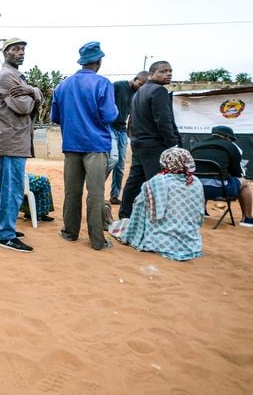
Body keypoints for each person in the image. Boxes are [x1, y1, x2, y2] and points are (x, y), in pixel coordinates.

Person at [51, 41, 118, 250]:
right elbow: (109, 115)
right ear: (98, 61)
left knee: (72, 192)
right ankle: (97, 240)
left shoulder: (62, 85)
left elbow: (56, 117)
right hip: (96, 145)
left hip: (72, 145)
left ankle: (70, 232)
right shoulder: (103, 83)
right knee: (96, 193)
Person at [0, 38, 42, 252]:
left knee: (12, 187)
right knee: (12, 189)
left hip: (17, 139)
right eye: (15, 49)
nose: (20, 52)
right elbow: (23, 107)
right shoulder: (7, 77)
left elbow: (32, 97)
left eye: (22, 49)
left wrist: (32, 91)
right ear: (6, 53)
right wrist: (34, 93)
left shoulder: (16, 77)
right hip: (12, 139)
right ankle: (5, 235)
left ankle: (5, 228)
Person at [116, 148, 205, 261]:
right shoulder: (196, 182)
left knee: (125, 222)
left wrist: (130, 233)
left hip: (158, 242)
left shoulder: (158, 181)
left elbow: (139, 208)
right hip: (192, 244)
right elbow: (200, 215)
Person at [118, 61, 181, 219]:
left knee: (134, 181)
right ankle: (156, 220)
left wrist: (134, 138)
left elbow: (132, 121)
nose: (168, 74)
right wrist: (172, 144)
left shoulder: (139, 92)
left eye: (170, 71)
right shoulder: (159, 91)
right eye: (163, 71)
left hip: (139, 144)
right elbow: (164, 121)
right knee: (156, 185)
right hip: (154, 146)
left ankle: (125, 216)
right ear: (152, 74)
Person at [0, 121, 55, 222]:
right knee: (43, 181)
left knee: (29, 178)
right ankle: (39, 213)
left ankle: (30, 212)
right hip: (4, 182)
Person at [191, 126, 253, 227]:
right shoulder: (231, 147)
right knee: (243, 182)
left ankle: (202, 211)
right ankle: (247, 218)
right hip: (218, 189)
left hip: (194, 188)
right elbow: (236, 172)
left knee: (203, 177)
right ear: (227, 137)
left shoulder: (196, 146)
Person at [109, 71, 149, 205]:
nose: (141, 87)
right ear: (135, 79)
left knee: (120, 165)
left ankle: (114, 195)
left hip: (122, 130)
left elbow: (132, 116)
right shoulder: (118, 86)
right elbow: (105, 103)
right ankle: (96, 186)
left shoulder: (137, 94)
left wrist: (131, 135)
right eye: (141, 84)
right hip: (109, 127)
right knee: (113, 159)